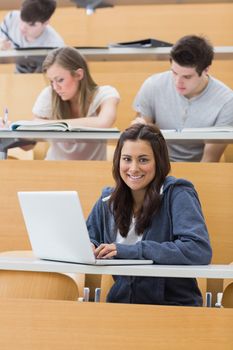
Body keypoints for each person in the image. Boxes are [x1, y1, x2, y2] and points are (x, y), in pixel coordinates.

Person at [87, 123, 212, 306]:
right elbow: (88, 238)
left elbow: (198, 250)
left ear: (158, 161)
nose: (134, 168)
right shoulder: (108, 200)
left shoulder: (178, 194)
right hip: (120, 306)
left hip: (172, 308)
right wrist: (89, 247)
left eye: (143, 160)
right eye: (127, 159)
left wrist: (133, 250)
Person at [133, 35, 233, 162]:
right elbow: (140, 135)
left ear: (206, 70)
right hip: (156, 163)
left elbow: (210, 158)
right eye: (174, 73)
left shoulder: (227, 101)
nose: (178, 82)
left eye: (187, 77)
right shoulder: (152, 85)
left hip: (198, 166)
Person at [32, 46, 120, 160]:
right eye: (51, 81)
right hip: (53, 170)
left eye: (60, 80)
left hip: (92, 173)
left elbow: (104, 123)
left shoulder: (105, 93)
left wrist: (55, 125)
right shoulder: (49, 93)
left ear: (79, 74)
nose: (55, 87)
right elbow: (33, 130)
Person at [0, 0, 64, 73]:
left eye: (31, 25)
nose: (22, 28)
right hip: (18, 76)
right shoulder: (12, 18)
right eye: (21, 19)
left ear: (46, 22)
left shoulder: (55, 45)